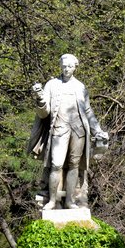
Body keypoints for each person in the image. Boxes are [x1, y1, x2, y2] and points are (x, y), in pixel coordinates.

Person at [28, 53, 108, 210]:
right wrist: (40, 99)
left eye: (70, 66)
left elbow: (88, 111)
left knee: (74, 165)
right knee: (56, 164)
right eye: (64, 66)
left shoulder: (80, 87)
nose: (66, 69)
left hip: (78, 131)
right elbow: (44, 113)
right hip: (59, 129)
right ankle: (52, 200)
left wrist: (97, 130)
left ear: (75, 67)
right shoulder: (51, 85)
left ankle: (70, 201)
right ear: (60, 66)